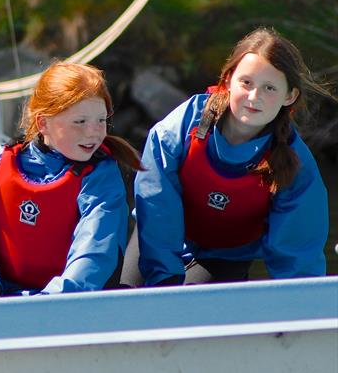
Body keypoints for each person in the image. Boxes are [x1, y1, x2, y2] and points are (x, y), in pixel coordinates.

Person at [121, 27, 332, 287]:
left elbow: (298, 262)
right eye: (246, 82)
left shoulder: (297, 166)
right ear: (228, 80)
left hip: (223, 257)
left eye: (269, 88)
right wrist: (164, 280)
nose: (254, 97)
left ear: (290, 96)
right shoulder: (178, 129)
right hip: (157, 244)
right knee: (125, 301)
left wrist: (301, 310)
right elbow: (155, 207)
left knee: (189, 309)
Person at [0, 62, 143, 299]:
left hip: (64, 307)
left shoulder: (101, 178)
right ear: (43, 123)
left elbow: (93, 258)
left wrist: (40, 307)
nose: (94, 132)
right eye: (80, 122)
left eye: (101, 120)